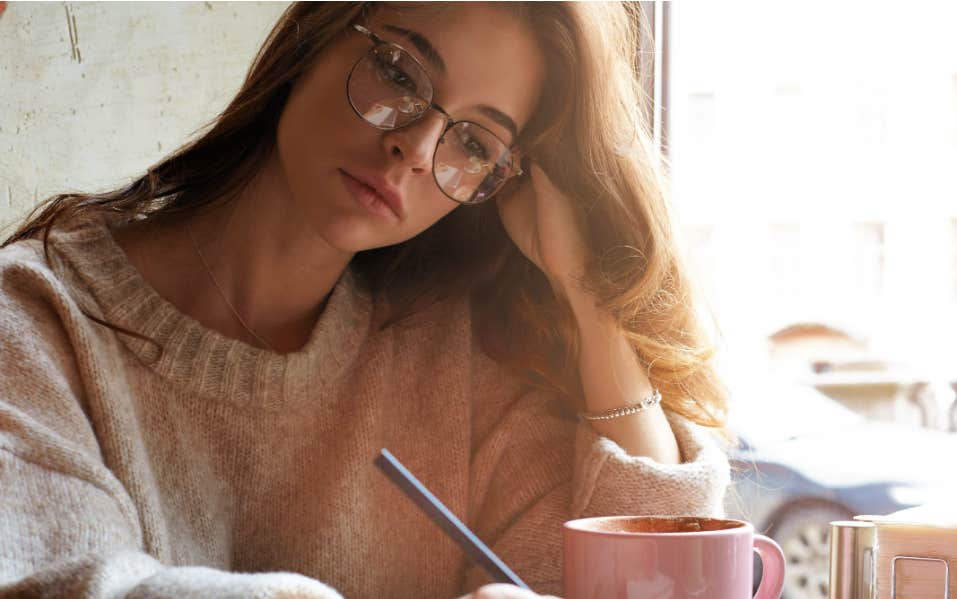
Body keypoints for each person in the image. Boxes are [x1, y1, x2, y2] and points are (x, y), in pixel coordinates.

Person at [0, 2, 730, 598]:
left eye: (473, 144)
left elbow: (664, 581)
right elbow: (62, 583)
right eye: (399, 71)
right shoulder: (40, 317)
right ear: (317, 33)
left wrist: (587, 295)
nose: (417, 149)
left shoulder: (456, 357)